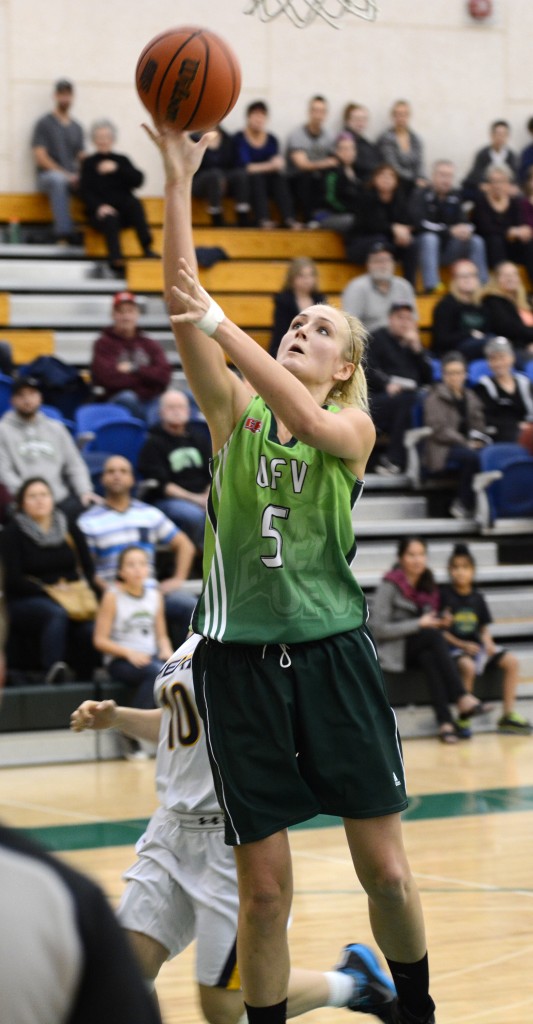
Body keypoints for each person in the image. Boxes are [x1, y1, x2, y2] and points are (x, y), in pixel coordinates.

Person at [146, 123, 436, 1024]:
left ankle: (415, 1008)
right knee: (264, 896)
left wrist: (226, 324)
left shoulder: (353, 429)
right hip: (238, 668)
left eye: (317, 329)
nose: (301, 330)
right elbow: (181, 297)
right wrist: (179, 177)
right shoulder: (231, 413)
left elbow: (307, 422)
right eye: (295, 324)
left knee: (383, 869)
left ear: (346, 366)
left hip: (332, 657)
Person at [71, 631, 398, 1022]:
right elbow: (180, 722)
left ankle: (356, 984)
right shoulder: (194, 638)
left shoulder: (259, 637)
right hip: (171, 832)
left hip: (232, 838)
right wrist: (117, 718)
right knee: (124, 969)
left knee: (224, 1008)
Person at [371, 537, 492, 744]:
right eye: (411, 555)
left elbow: (429, 621)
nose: (417, 560)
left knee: (430, 656)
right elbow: (377, 629)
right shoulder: (389, 585)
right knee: (431, 637)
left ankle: (445, 723)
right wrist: (420, 624)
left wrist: (442, 621)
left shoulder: (427, 584)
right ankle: (462, 697)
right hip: (394, 650)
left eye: (421, 554)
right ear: (401, 558)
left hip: (420, 647)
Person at [78, 455, 196, 647]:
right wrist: (108, 590)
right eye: (111, 471)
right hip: (115, 596)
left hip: (151, 592)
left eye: (123, 471)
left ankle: (184, 665)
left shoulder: (148, 514)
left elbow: (185, 545)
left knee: (190, 606)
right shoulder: (88, 522)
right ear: (102, 479)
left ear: (133, 479)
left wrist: (178, 579)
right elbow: (85, 567)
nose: (117, 476)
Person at [1, 477, 99, 683]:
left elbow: (87, 567)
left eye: (44, 495)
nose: (39, 500)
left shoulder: (69, 527)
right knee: (54, 613)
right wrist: (50, 591)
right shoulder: (13, 533)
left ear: (53, 499)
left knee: (89, 627)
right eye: (32, 496)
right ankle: (52, 672)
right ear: (22, 503)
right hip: (27, 598)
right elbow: (13, 580)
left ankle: (87, 681)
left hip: (71, 595)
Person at [440, 542, 531, 736]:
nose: (460, 572)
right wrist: (462, 644)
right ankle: (464, 717)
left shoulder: (478, 598)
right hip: (456, 649)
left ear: (472, 571)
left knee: (512, 662)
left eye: (465, 567)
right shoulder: (444, 596)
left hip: (478, 647)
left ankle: (507, 715)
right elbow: (440, 631)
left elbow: (483, 627)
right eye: (455, 568)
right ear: (449, 570)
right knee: (468, 667)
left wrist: (488, 642)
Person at [0, 375, 96, 522]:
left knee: (87, 511)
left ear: (40, 398)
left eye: (32, 394)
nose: (27, 400)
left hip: (59, 497)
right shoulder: (3, 431)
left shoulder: (56, 428)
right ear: (12, 400)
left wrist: (85, 491)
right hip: (23, 499)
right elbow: (4, 473)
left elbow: (74, 465)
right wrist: (30, 497)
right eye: (21, 395)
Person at [79, 118, 157, 276]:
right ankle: (116, 260)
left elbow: (138, 180)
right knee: (110, 217)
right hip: (101, 213)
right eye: (99, 137)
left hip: (124, 211)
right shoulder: (88, 163)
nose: (103, 141)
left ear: (112, 139)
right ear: (94, 140)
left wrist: (117, 168)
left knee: (135, 204)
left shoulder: (121, 160)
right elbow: (84, 190)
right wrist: (99, 207)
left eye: (106, 137)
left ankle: (147, 247)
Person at [137, 389, 212, 549]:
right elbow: (163, 485)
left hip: (203, 495)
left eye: (180, 407)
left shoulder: (199, 438)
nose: (176, 411)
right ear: (161, 412)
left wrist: (208, 495)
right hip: (169, 500)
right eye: (171, 407)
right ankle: (203, 557)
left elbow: (213, 472)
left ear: (188, 411)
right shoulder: (153, 442)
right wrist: (197, 500)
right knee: (196, 516)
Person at [366, 303, 433, 476]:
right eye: (400, 318)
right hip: (378, 398)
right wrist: (386, 383)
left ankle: (417, 462)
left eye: (409, 319)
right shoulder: (377, 339)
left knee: (416, 401)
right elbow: (366, 369)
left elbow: (429, 377)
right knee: (407, 401)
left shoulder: (413, 346)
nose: (405, 323)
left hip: (409, 397)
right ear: (390, 319)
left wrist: (417, 350)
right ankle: (394, 460)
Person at [423, 351, 490, 519]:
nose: (455, 377)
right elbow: (438, 429)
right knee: (471, 457)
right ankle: (463, 503)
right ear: (444, 375)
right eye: (450, 373)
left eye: (459, 373)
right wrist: (465, 442)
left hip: (468, 444)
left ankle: (485, 504)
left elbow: (479, 423)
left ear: (465, 375)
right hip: (443, 447)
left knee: (489, 454)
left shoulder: (471, 397)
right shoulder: (434, 397)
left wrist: (478, 438)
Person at [91, 290, 172, 423]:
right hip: (119, 400)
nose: (126, 317)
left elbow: (164, 376)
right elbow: (107, 380)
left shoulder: (149, 343)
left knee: (179, 398)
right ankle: (146, 435)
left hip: (150, 399)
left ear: (137, 314)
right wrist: (148, 379)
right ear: (113, 315)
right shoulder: (103, 344)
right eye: (121, 312)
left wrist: (134, 369)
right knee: (128, 398)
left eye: (130, 311)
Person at [409, 160, 488, 293]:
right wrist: (449, 230)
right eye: (442, 175)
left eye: (450, 176)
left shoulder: (455, 196)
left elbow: (464, 221)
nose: (446, 180)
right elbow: (419, 224)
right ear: (433, 176)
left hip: (448, 249)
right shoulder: (420, 194)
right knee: (430, 238)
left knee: (476, 241)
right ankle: (432, 285)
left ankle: (482, 285)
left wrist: (466, 230)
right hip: (423, 249)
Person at [31, 78, 85, 245]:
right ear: (55, 96)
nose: (65, 98)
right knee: (58, 180)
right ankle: (64, 232)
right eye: (61, 94)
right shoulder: (44, 123)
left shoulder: (77, 127)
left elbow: (81, 157)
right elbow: (40, 157)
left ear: (72, 97)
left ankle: (93, 233)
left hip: (70, 176)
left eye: (68, 95)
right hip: (48, 177)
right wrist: (66, 175)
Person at [344, 165, 417, 284]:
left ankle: (409, 287)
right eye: (382, 175)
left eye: (390, 176)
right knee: (381, 242)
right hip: (360, 244)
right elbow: (370, 224)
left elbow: (412, 222)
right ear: (374, 179)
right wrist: (393, 228)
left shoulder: (399, 200)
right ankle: (379, 286)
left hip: (389, 243)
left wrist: (405, 232)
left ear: (396, 181)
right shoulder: (365, 197)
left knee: (410, 245)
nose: (386, 179)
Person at [233, 101, 298, 229]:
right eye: (255, 115)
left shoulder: (272, 139)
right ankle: (262, 219)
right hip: (248, 180)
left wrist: (278, 163)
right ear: (248, 117)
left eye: (262, 115)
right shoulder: (239, 138)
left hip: (269, 178)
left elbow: (276, 160)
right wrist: (271, 165)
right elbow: (246, 167)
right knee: (257, 178)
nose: (259, 119)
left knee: (279, 178)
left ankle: (289, 218)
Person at [472, 166, 533, 281]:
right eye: (494, 181)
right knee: (496, 240)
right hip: (489, 248)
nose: (497, 185)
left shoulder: (515, 202)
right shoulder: (481, 201)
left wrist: (521, 231)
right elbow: (485, 228)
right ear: (488, 184)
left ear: (508, 183)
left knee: (529, 243)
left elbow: (520, 225)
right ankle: (501, 283)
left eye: (501, 181)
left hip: (511, 246)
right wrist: (509, 231)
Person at [341, 242, 416, 334]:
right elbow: (350, 326)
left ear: (394, 264)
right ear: (368, 265)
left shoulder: (404, 286)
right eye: (377, 261)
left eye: (386, 260)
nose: (382, 265)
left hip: (400, 340)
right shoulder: (356, 288)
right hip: (370, 341)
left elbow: (412, 320)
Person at [285, 96, 337, 225]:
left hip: (319, 176)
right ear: (309, 112)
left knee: (333, 175)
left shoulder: (329, 135)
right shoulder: (297, 134)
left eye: (322, 111)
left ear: (326, 114)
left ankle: (330, 213)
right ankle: (309, 217)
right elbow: (302, 164)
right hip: (296, 178)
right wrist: (325, 163)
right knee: (308, 176)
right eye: (315, 110)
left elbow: (335, 160)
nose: (318, 115)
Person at [431, 259, 493, 360]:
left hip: (481, 351)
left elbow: (487, 331)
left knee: (498, 344)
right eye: (463, 276)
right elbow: (441, 339)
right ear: (454, 280)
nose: (468, 280)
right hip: (452, 353)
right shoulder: (445, 305)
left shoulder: (482, 305)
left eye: (472, 275)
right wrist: (469, 334)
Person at [474, 335, 533, 442]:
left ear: (512, 358)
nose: (498, 363)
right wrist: (516, 425)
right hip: (502, 435)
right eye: (493, 359)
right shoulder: (484, 386)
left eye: (502, 357)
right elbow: (486, 419)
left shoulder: (524, 383)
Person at [192, 124, 250, 227]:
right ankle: (216, 214)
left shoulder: (227, 138)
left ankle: (242, 213)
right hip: (199, 182)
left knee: (240, 174)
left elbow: (233, 164)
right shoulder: (193, 138)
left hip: (223, 180)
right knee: (215, 175)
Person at [269, 258, 327, 359]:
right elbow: (280, 333)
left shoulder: (320, 299)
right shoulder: (283, 301)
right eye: (301, 276)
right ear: (292, 278)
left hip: (314, 347)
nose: (307, 280)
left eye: (310, 275)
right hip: (289, 346)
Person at [481, 260, 533, 359]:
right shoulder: (492, 301)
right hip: (510, 350)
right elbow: (510, 329)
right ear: (496, 279)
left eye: (514, 274)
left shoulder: (526, 300)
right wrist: (528, 345)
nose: (511, 278)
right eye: (506, 275)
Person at [313, 133, 361, 233]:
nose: (348, 152)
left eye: (351, 148)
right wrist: (350, 210)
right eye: (344, 149)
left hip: (349, 213)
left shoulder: (357, 172)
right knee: (356, 221)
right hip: (328, 214)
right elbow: (330, 198)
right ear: (337, 152)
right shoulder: (332, 171)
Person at [376, 101, 426, 196]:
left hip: (415, 182)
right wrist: (414, 180)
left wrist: (422, 178)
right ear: (393, 116)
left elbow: (420, 163)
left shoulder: (416, 139)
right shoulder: (386, 138)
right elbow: (392, 165)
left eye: (404, 114)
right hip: (395, 182)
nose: (401, 118)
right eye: (398, 114)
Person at [462, 120, 518, 199]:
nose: (501, 137)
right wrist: (483, 185)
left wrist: (511, 187)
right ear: (492, 135)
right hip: (487, 191)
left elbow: (515, 178)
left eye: (504, 134)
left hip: (506, 192)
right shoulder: (482, 154)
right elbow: (475, 176)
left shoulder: (511, 156)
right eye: (498, 134)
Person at [342, 103, 380, 183]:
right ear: (348, 121)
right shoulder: (343, 142)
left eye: (363, 119)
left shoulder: (368, 144)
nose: (360, 123)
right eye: (357, 119)